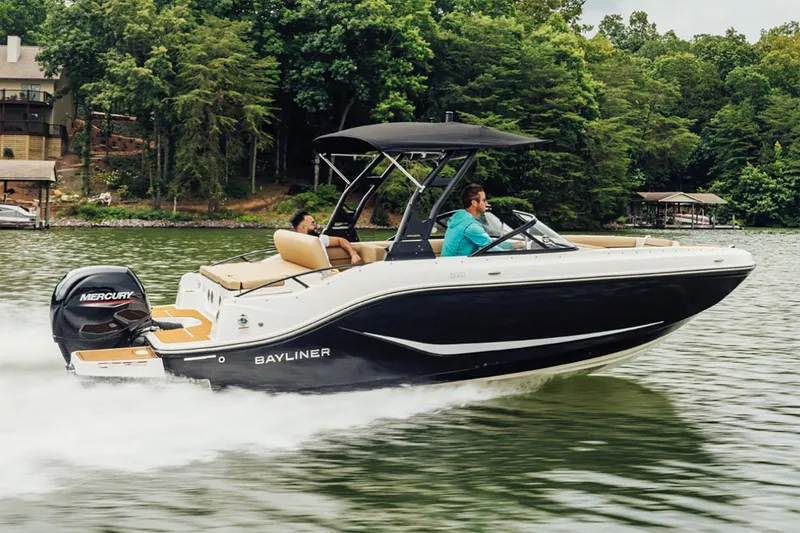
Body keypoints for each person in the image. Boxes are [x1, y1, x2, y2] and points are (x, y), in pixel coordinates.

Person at [441, 185, 522, 257]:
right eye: (483, 200)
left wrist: (513, 245)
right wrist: (512, 257)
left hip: (449, 264)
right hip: (456, 268)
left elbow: (489, 242)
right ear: (474, 203)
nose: (486, 203)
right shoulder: (470, 226)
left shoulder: (460, 219)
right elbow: (491, 248)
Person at [290, 210, 362, 264]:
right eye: (313, 224)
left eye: (315, 223)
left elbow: (341, 240)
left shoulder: (320, 238)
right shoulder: (293, 245)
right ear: (303, 228)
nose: (316, 226)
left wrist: (353, 254)